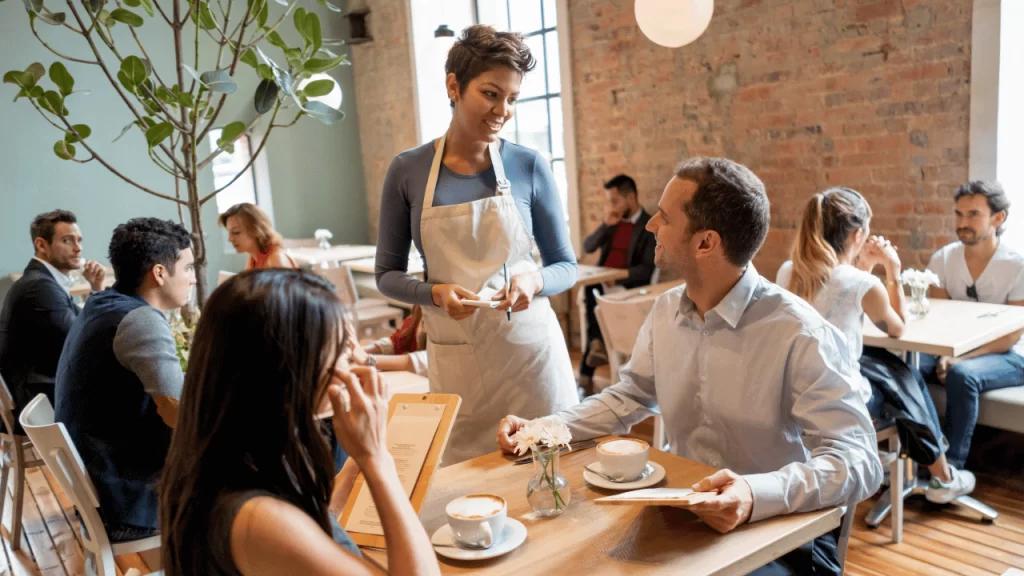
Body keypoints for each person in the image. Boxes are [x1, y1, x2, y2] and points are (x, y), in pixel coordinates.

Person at [496, 158, 882, 576]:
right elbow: (629, 396)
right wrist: (542, 430)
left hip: (778, 536)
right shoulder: (665, 311)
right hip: (683, 520)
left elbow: (859, 461)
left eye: (663, 217)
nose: (649, 226)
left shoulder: (801, 332)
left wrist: (754, 494)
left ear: (705, 243)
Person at [375, 25, 578, 463]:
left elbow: (566, 265)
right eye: (491, 94)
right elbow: (386, 275)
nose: (503, 110)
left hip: (532, 364)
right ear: (454, 86)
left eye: (512, 99)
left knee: (548, 489)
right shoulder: (407, 171)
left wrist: (534, 282)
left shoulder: (528, 165)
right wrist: (433, 293)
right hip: (458, 367)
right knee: (466, 497)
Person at [160, 270, 440, 576]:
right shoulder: (258, 520)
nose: (353, 359)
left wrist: (350, 472)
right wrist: (376, 459)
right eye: (341, 347)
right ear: (289, 366)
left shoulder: (224, 460)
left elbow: (308, 530)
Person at [776, 188, 975, 504]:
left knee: (890, 368)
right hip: (838, 401)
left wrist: (863, 269)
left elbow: (838, 308)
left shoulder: (788, 271)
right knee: (902, 376)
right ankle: (940, 475)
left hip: (791, 394)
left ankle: (898, 465)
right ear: (857, 235)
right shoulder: (861, 283)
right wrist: (891, 270)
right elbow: (898, 327)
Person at [55, 217, 194, 541]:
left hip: (104, 482)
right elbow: (177, 411)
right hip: (130, 498)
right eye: (187, 269)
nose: (192, 279)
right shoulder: (140, 319)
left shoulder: (102, 302)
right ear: (159, 273)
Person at [918, 180, 1024, 476]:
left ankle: (950, 472)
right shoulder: (943, 259)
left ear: (998, 218)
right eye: (959, 214)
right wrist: (943, 355)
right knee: (906, 366)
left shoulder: (1017, 266)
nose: (963, 223)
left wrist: (959, 359)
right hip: (954, 349)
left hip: (1011, 355)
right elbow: (939, 319)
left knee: (962, 375)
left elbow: (1010, 335)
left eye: (973, 214)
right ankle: (926, 454)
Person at [0, 210, 105, 415]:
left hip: (36, 391)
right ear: (41, 245)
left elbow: (81, 325)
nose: (78, 248)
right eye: (67, 241)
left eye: (79, 240)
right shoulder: (39, 287)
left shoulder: (42, 281)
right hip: (36, 401)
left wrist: (96, 288)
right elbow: (82, 339)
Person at [579, 174, 656, 393]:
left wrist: (619, 275)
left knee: (593, 296)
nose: (611, 207)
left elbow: (646, 270)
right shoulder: (613, 223)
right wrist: (605, 225)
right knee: (591, 287)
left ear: (630, 197)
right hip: (600, 284)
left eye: (615, 201)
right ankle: (596, 344)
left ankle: (587, 372)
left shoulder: (648, 227)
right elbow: (588, 247)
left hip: (625, 287)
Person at [348, 306, 428, 376]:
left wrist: (367, 359)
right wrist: (356, 350)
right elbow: (398, 341)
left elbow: (417, 361)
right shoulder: (419, 311)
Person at [219, 203, 298, 270]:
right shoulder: (253, 259)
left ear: (256, 230)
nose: (230, 239)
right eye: (229, 232)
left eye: (236, 232)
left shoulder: (276, 259)